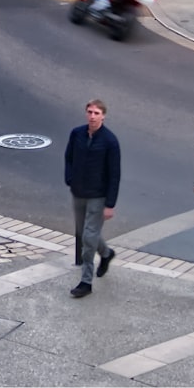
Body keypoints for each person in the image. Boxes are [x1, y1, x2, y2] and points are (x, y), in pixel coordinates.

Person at [64, 99, 121, 299]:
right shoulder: (77, 133)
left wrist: (110, 204)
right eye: (89, 112)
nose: (92, 116)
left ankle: (85, 281)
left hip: (98, 195)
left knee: (89, 238)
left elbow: (114, 174)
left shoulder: (109, 141)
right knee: (83, 231)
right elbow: (69, 158)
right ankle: (106, 253)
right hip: (78, 192)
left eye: (96, 113)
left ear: (103, 115)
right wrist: (69, 179)